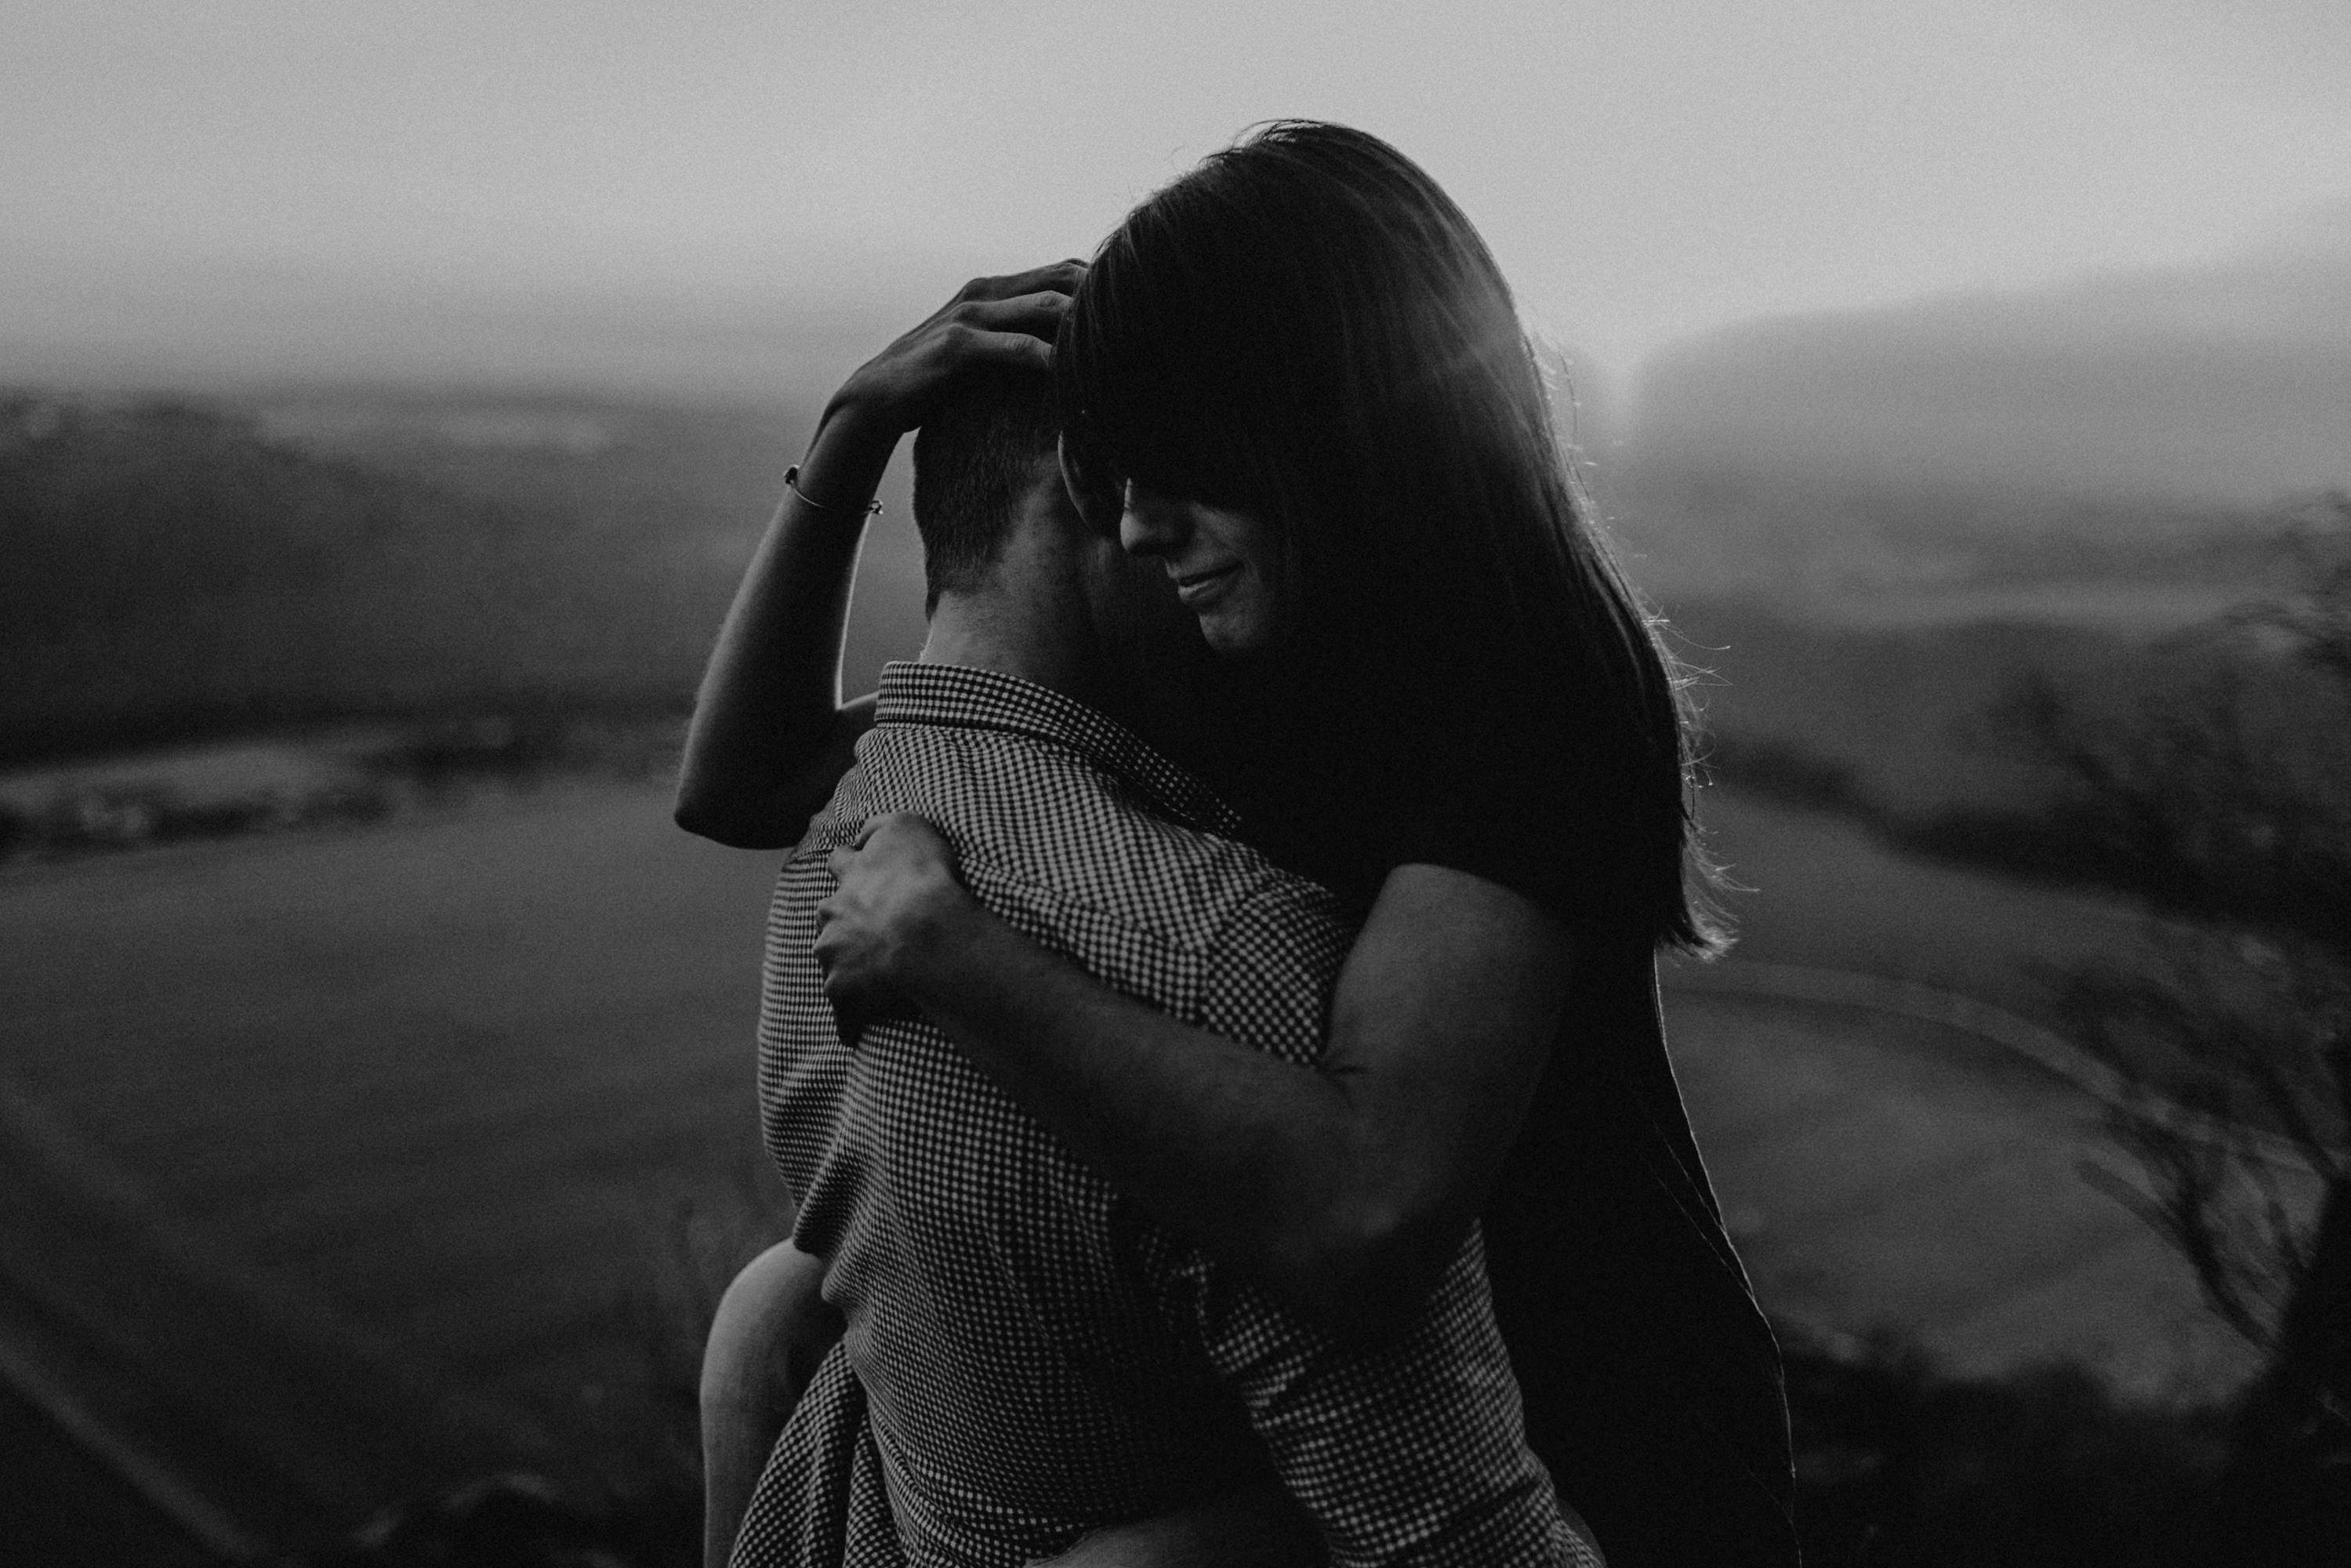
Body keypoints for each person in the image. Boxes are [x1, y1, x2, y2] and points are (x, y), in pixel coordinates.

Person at [798, 123, 1801, 1567]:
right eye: (1117, 476)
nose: (1138, 530)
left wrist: (948, 952)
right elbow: (755, 778)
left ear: (1315, 417)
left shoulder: (1525, 700)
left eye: (1174, 466)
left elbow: (1366, 1208)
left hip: (1590, 1446)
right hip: (1370, 1418)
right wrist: (857, 425)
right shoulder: (1280, 642)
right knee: (783, 1324)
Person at [688, 361, 1602, 1566]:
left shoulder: (848, 844)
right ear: (1096, 496)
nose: (1181, 548)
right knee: (768, 1309)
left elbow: (746, 783)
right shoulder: (1224, 951)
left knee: (768, 1304)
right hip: (1552, 1397)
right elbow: (1471, 1545)